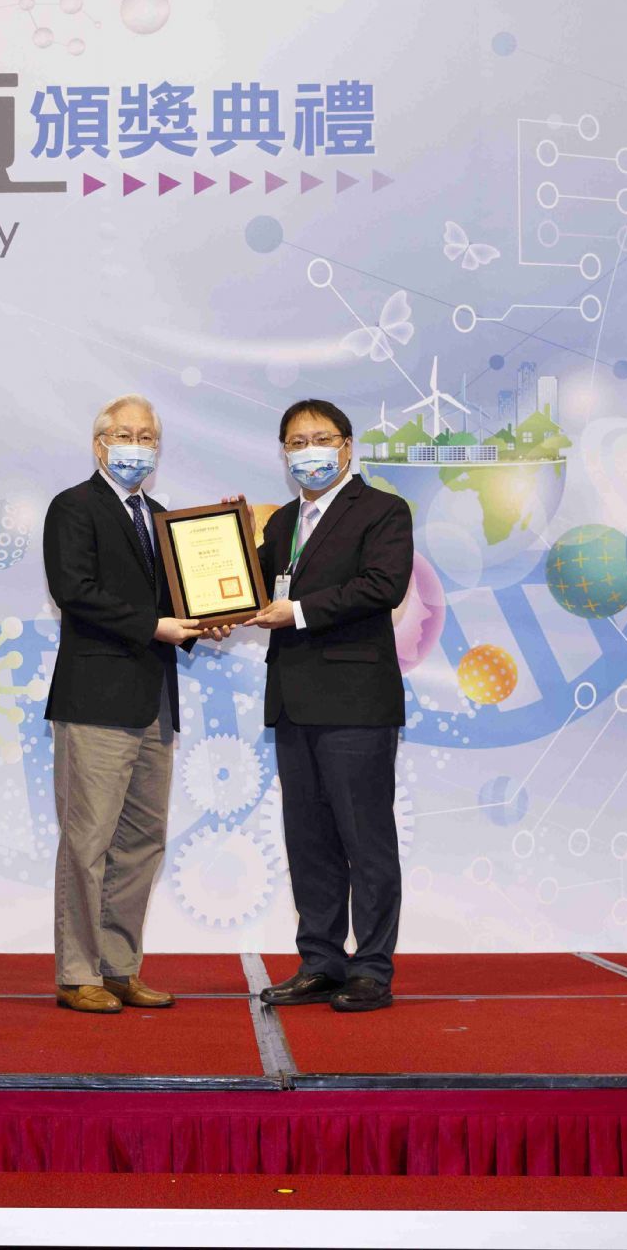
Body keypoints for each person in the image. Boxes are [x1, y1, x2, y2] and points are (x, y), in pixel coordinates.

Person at [41, 395, 230, 1013]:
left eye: (147, 436)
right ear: (100, 444)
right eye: (125, 434)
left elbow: (182, 603)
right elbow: (74, 590)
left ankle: (119, 968)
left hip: (155, 702)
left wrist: (210, 619)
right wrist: (154, 626)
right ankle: (77, 973)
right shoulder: (73, 507)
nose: (137, 445)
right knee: (88, 840)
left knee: (143, 840)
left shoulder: (163, 518)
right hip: (96, 701)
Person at [244, 398, 414, 1013]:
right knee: (308, 841)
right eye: (295, 442)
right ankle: (320, 961)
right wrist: (226, 554)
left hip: (355, 703)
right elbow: (252, 590)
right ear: (283, 453)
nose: (308, 451)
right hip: (293, 701)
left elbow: (382, 586)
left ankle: (370, 968)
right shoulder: (282, 522)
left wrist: (299, 612)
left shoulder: (383, 510)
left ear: (346, 446)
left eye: (320, 439)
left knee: (366, 840)